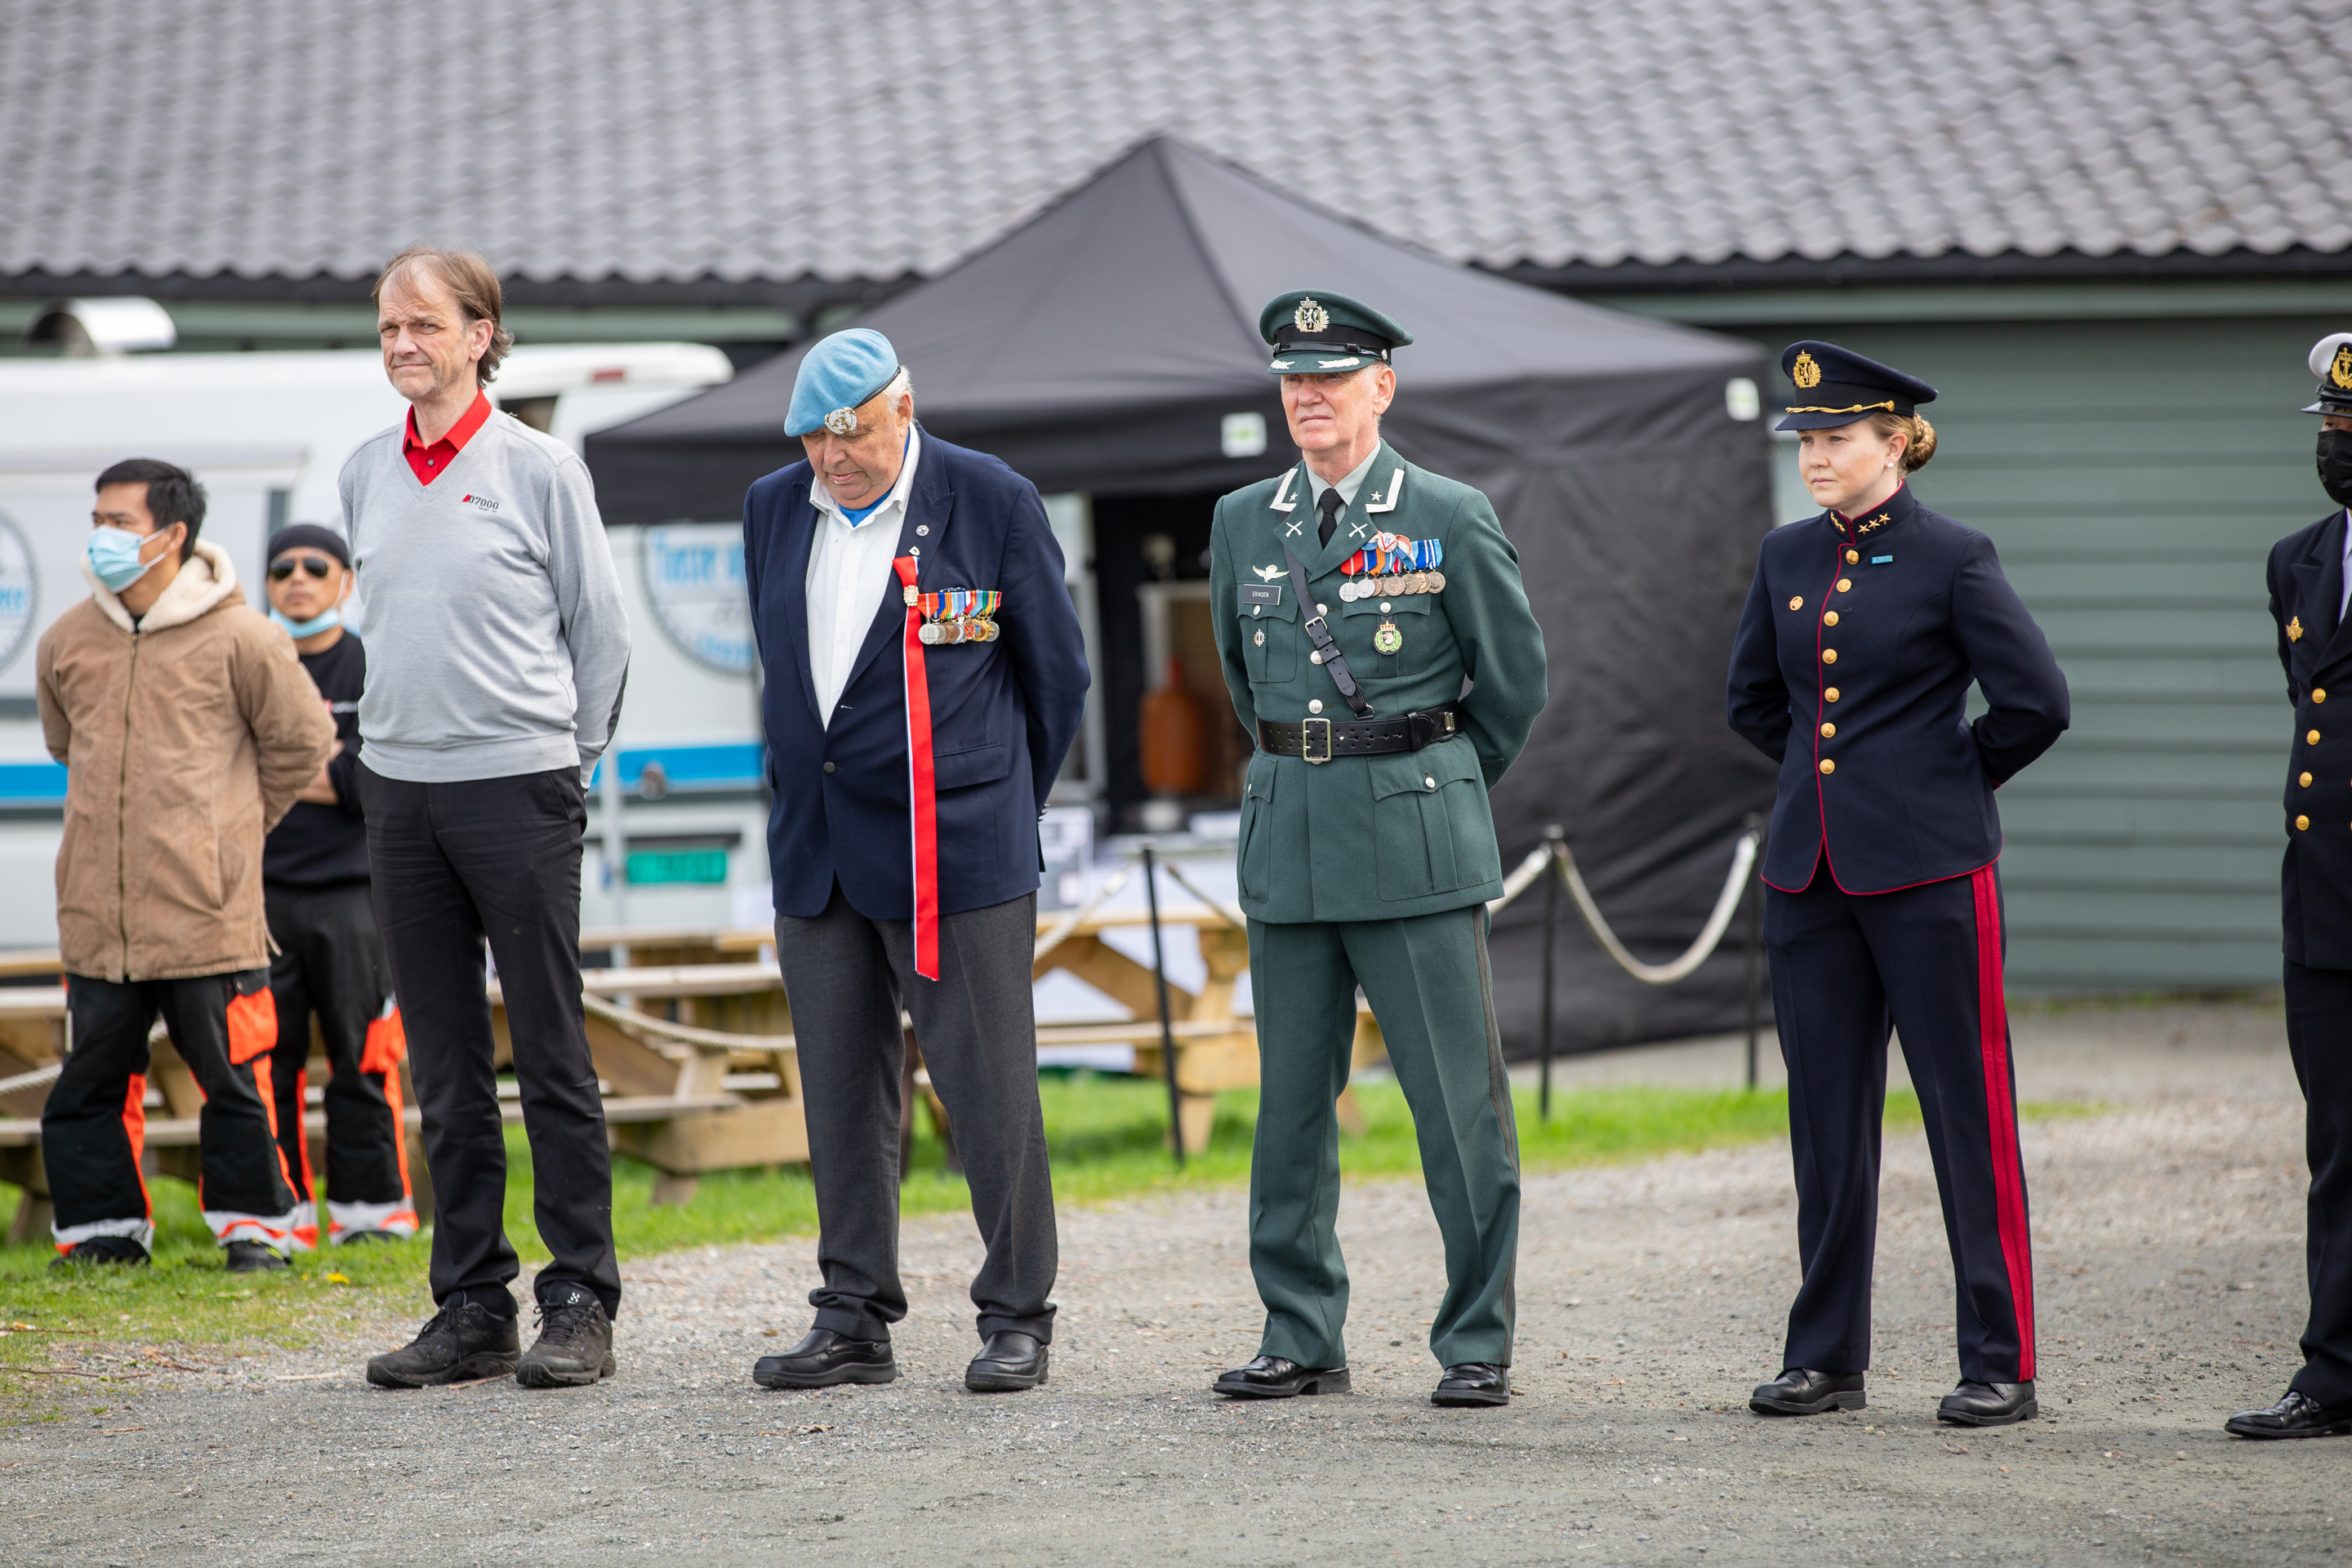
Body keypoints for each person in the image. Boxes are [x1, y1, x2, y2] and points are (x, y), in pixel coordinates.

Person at [1205, 292, 1547, 1409]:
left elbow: (1514, 683)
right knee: (1291, 1114)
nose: (1309, 396)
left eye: (1332, 377)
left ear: (1382, 388)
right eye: (1293, 379)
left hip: (1413, 848)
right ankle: (1300, 1334)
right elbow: (1244, 683)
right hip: (1291, 844)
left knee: (1456, 1108)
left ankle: (1477, 1339)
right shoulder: (1243, 521)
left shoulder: (1447, 512)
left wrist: (1428, 782)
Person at [1726, 341, 2069, 1427]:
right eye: (1806, 441)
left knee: (1968, 1113)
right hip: (1809, 876)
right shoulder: (1784, 555)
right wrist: (1822, 788)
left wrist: (1938, 780)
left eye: (1835, 439)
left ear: (1896, 443)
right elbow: (1751, 700)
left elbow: (2037, 703)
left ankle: (2000, 1360)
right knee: (1825, 1124)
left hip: (1930, 874)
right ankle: (1826, 1357)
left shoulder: (1954, 558)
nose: (1814, 457)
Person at [741, 329, 1088, 1395]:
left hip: (958, 851)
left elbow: (1057, 678)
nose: (833, 458)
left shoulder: (989, 499)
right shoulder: (771, 508)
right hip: (819, 851)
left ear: (904, 408)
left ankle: (1017, 1312)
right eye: (813, 440)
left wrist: (997, 804)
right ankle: (852, 1314)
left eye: (851, 435)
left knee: (989, 1091)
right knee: (841, 1095)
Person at [345, 246, 632, 1390]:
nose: (402, 344)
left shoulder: (540, 468)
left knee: (552, 1051)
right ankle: (470, 1304)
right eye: (388, 327)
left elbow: (600, 631)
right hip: (398, 793)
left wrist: (569, 764)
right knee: (445, 1064)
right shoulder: (364, 472)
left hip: (519, 786)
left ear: (480, 336)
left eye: (423, 324)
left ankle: (580, 1298)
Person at [35, 459, 337, 1272]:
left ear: (171, 535)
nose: (100, 536)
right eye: (97, 520)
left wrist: (229, 831)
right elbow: (65, 747)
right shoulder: (65, 640)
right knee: (88, 1084)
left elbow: (304, 744)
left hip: (209, 914)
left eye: (119, 523)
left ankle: (255, 1231)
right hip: (98, 917)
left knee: (235, 1081)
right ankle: (101, 1234)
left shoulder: (245, 637)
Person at [2238, 331, 2352, 1440]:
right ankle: (2334, 1372)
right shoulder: (2298, 560)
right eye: (2330, 423)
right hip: (2323, 893)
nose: (2337, 443)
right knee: (2338, 1143)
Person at [258, 523, 417, 1250]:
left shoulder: (368, 663)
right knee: (269, 1064)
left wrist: (276, 765)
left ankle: (372, 1210)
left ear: (345, 582)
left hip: (355, 896)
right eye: (282, 568)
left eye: (315, 567)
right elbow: (224, 770)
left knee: (364, 1057)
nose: (297, 578)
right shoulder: (252, 662)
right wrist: (317, 762)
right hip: (259, 898)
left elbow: (365, 782)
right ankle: (279, 1214)